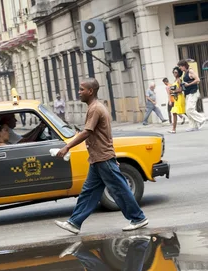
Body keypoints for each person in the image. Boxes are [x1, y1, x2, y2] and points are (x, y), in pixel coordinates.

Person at [55, 78, 148, 235]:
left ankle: (138, 218)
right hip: (98, 158)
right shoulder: (96, 107)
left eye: (81, 89)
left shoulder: (95, 109)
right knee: (88, 192)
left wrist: (67, 147)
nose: (79, 92)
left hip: (103, 158)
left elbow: (87, 132)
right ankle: (74, 223)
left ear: (90, 91)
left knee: (119, 189)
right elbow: (106, 135)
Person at [178, 59, 206, 131]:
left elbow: (198, 80)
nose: (180, 68)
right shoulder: (185, 73)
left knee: (190, 109)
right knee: (188, 111)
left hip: (193, 92)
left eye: (180, 67)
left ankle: (202, 119)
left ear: (184, 66)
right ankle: (193, 126)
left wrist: (188, 84)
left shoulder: (190, 71)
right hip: (188, 93)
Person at [168, 67, 186, 134]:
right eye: (173, 72)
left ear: (179, 73)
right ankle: (173, 129)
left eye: (176, 72)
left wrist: (173, 91)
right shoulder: (175, 80)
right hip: (176, 98)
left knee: (176, 112)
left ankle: (173, 129)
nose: (174, 73)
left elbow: (181, 90)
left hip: (179, 97)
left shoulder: (179, 80)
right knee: (176, 113)